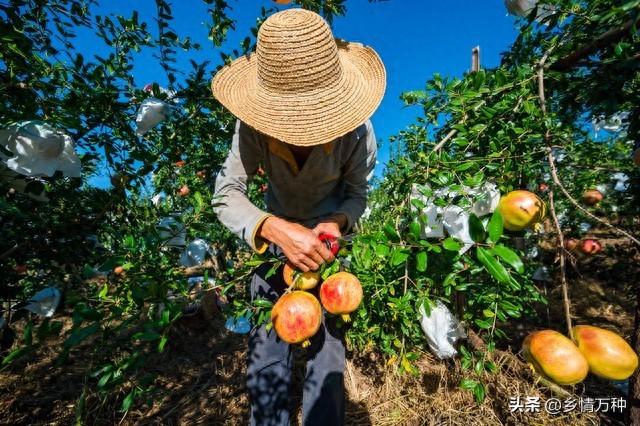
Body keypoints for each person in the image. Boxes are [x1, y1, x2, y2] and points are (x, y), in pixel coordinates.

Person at [211, 8, 385, 426]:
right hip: (273, 242)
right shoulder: (251, 128)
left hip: (329, 249)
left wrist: (339, 222)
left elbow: (358, 195)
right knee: (266, 351)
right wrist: (273, 227)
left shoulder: (358, 133)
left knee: (327, 355)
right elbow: (225, 193)